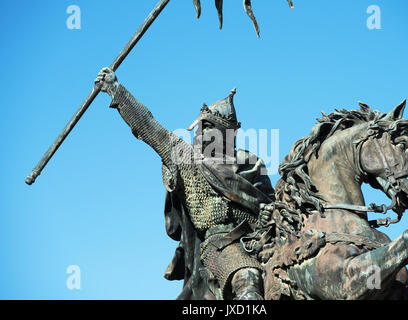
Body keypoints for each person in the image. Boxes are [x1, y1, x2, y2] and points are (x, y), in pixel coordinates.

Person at [95, 67, 275, 299]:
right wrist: (116, 89)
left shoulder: (251, 162)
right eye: (200, 128)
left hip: (259, 239)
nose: (200, 133)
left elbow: (270, 204)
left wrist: (270, 214)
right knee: (246, 280)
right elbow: (148, 126)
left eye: (207, 128)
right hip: (221, 245)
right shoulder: (189, 160)